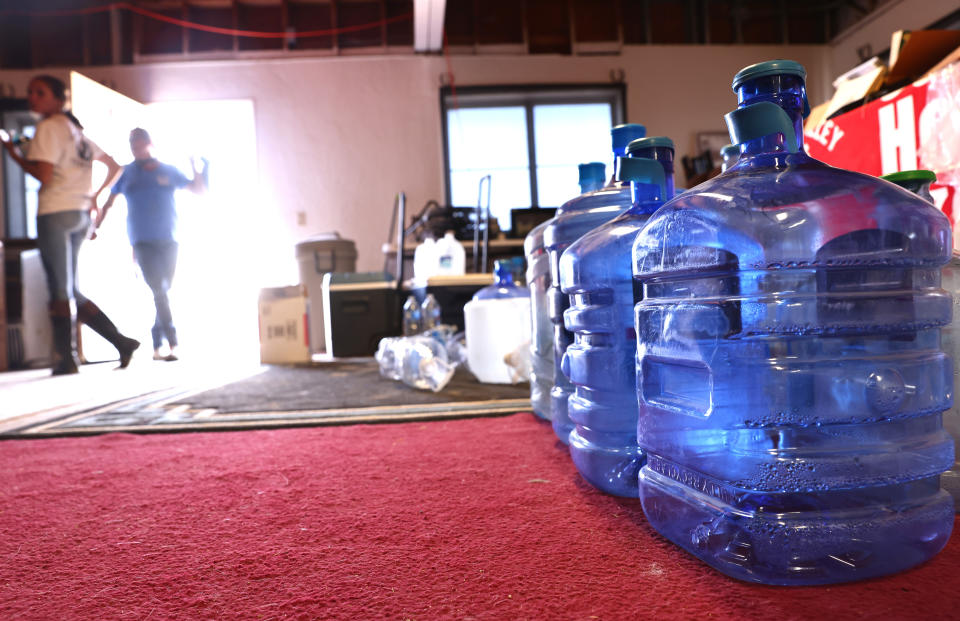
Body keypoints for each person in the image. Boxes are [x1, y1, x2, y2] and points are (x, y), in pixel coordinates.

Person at [0, 75, 140, 375]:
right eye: (31, 92)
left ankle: (66, 359)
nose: (32, 98)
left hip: (55, 212)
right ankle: (120, 342)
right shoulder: (76, 131)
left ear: (57, 99)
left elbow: (44, 175)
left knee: (59, 288)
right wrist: (94, 197)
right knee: (70, 286)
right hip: (78, 213)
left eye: (39, 92)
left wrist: (14, 155)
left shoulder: (49, 127)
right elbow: (115, 165)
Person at [97, 128, 206, 361]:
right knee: (158, 289)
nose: (136, 148)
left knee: (163, 291)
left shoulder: (168, 170)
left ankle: (157, 344)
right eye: (132, 145)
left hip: (169, 238)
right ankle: (173, 343)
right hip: (141, 240)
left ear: (149, 143)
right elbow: (109, 201)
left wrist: (196, 167)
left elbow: (198, 190)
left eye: (139, 144)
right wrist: (96, 224)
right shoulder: (126, 173)